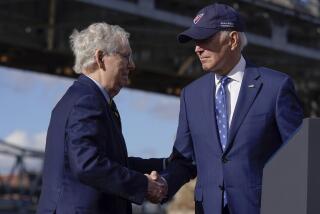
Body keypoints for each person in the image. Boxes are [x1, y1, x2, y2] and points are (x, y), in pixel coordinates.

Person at [159, 3, 304, 214]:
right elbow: (185, 160)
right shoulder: (191, 95)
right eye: (195, 42)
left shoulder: (276, 87)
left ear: (233, 40)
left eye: (205, 39)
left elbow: (298, 158)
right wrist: (162, 184)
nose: (197, 48)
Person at [37, 22, 167, 214]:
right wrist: (144, 185)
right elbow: (88, 165)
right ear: (100, 58)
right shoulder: (87, 101)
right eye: (126, 56)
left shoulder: (84, 98)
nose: (132, 65)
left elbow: (112, 162)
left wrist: (165, 165)